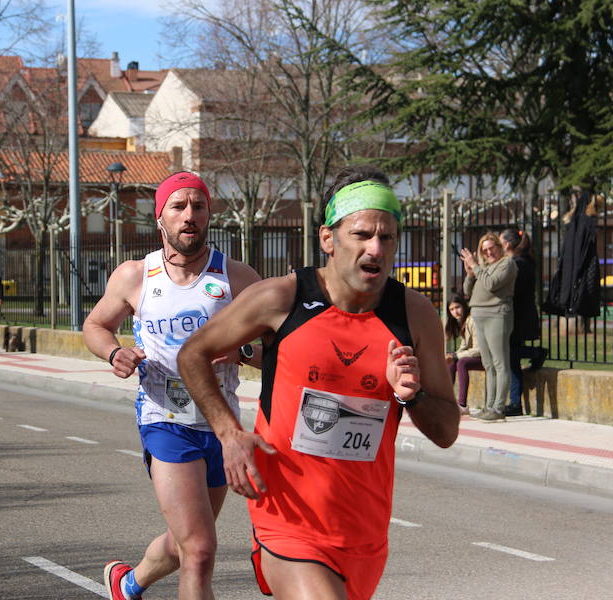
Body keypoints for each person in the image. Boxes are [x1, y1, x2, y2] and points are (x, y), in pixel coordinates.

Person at [176, 165, 459, 600]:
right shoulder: (282, 298)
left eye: (387, 238)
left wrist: (413, 395)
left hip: (363, 533)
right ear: (329, 239)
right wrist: (228, 433)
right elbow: (192, 353)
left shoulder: (414, 315)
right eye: (362, 235)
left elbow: (446, 431)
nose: (376, 249)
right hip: (286, 519)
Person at [82, 172, 261, 600]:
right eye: (178, 207)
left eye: (198, 207)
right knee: (200, 550)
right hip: (165, 419)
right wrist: (113, 352)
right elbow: (95, 324)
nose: (189, 216)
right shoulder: (135, 275)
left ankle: (128, 583)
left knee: (186, 544)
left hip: (221, 426)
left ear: (209, 215)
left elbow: (276, 349)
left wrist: (243, 353)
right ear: (160, 218)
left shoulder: (237, 277)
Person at [460, 232, 517, 422]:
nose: (489, 252)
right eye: (484, 250)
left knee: (500, 363)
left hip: (497, 314)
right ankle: (489, 405)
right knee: (488, 364)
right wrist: (470, 274)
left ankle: (498, 407)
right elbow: (467, 292)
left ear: (500, 247)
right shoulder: (483, 267)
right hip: (479, 315)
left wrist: (476, 267)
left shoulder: (506, 264)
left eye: (492, 248)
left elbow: (492, 284)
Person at [499, 228, 546, 416]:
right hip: (519, 315)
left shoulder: (519, 263)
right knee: (512, 359)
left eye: (500, 242)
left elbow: (513, 290)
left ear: (508, 244)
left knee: (510, 354)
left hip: (520, 316)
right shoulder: (521, 261)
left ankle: (536, 352)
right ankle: (515, 403)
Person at [445, 295, 483, 414]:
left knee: (462, 362)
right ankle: (447, 402)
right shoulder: (462, 322)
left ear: (464, 306)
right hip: (476, 357)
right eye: (452, 309)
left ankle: (462, 405)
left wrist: (456, 356)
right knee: (452, 362)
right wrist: (451, 356)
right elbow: (464, 346)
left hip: (487, 358)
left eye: (457, 307)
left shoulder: (472, 320)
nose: (455, 312)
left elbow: (479, 349)